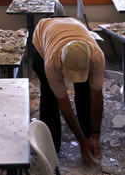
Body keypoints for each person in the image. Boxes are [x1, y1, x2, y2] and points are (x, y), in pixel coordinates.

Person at [32, 16, 105, 164]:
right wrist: (80, 140)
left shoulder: (97, 57)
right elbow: (63, 103)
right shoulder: (52, 62)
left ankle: (89, 138)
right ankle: (51, 147)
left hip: (72, 24)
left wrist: (95, 135)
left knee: (85, 94)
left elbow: (97, 97)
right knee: (50, 98)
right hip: (44, 31)